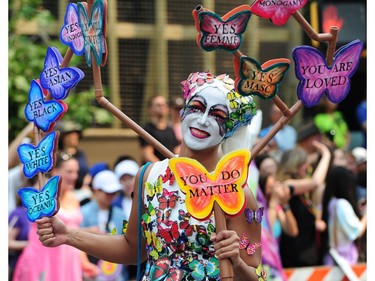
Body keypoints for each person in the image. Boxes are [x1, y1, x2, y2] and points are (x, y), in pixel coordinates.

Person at [36, 71, 263, 280]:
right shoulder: (149, 176)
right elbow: (132, 248)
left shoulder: (237, 193)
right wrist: (68, 235)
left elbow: (258, 276)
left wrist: (236, 261)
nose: (202, 120)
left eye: (217, 115)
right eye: (196, 107)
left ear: (232, 127)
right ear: (182, 111)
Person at [13, 152, 99, 281]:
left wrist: (85, 263)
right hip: (43, 258)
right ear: (55, 171)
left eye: (76, 172)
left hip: (69, 260)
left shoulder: (73, 197)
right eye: (69, 172)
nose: (74, 176)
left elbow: (73, 232)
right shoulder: (41, 194)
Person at [277, 142, 331, 268]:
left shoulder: (302, 191)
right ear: (295, 166)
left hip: (307, 254)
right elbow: (316, 182)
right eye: (304, 164)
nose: (308, 166)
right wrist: (326, 155)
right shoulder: (286, 185)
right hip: (295, 256)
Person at [80, 169, 129, 281]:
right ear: (96, 190)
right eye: (108, 193)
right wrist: (90, 232)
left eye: (114, 193)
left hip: (116, 271)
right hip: (91, 270)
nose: (111, 196)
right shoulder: (83, 212)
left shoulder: (120, 213)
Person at [320, 166, 367, 266]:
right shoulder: (342, 204)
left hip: (332, 258)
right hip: (345, 260)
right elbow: (357, 231)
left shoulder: (331, 202)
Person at [139, 95, 180, 164]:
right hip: (155, 171)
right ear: (150, 109)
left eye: (163, 105)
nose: (162, 107)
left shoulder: (170, 129)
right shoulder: (147, 129)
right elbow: (147, 154)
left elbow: (176, 150)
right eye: (158, 105)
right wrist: (162, 168)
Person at [56, 120, 89, 190]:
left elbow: (86, 172)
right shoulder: (57, 155)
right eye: (70, 135)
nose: (74, 137)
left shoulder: (81, 154)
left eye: (76, 135)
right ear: (63, 137)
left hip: (81, 189)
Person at [113, 156, 140, 221]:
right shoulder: (114, 204)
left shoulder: (148, 200)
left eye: (130, 177)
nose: (128, 183)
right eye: (123, 179)